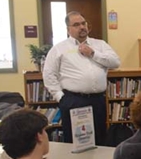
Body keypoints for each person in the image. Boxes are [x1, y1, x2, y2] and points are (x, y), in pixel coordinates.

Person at [43, 11, 121, 145]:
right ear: (68, 29)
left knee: (100, 140)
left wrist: (93, 54)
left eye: (83, 23)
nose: (82, 27)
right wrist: (60, 97)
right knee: (77, 142)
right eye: (76, 24)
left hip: (98, 100)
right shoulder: (59, 49)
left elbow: (115, 62)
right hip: (74, 100)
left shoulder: (100, 45)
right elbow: (49, 74)